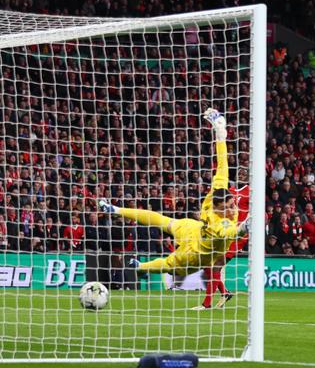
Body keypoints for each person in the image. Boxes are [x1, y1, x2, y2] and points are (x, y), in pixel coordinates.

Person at [98, 108, 248, 277]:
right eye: (227, 207)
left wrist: (220, 135)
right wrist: (244, 227)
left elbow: (222, 166)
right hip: (196, 248)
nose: (232, 208)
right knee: (167, 244)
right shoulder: (220, 223)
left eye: (232, 204)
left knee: (167, 244)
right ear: (218, 208)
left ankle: (139, 264)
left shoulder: (217, 193)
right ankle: (118, 215)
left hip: (195, 241)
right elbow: (231, 232)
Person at [192, 182, 250, 311]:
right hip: (222, 232)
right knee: (206, 263)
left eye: (244, 172)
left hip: (236, 236)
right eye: (239, 172)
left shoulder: (251, 191)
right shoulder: (229, 191)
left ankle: (206, 304)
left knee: (216, 266)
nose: (241, 174)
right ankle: (225, 292)